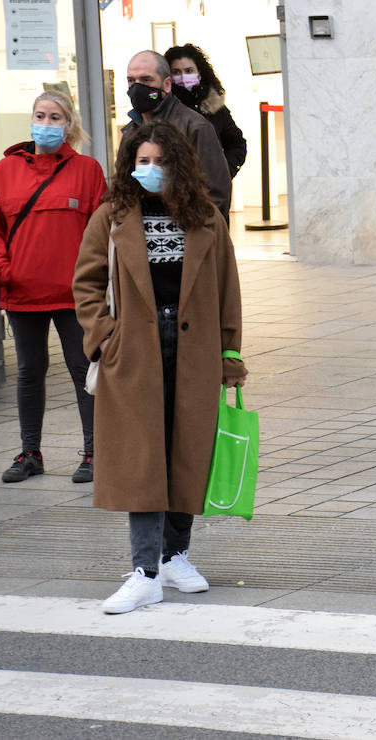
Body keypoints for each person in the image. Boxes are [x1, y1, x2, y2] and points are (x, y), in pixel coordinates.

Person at [73, 121, 246, 614]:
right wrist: (106, 337)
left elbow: (226, 289)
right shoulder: (111, 217)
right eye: (142, 161)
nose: (150, 170)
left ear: (179, 165)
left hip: (193, 348)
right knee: (143, 457)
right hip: (134, 350)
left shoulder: (205, 217)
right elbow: (86, 285)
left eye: (161, 161)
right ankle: (144, 570)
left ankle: (175, 555)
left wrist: (230, 353)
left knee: (188, 451)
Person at [0, 91, 108, 485]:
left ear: (68, 125)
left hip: (74, 295)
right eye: (40, 115)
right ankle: (30, 451)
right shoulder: (5, 171)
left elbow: (101, 231)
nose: (46, 123)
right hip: (21, 292)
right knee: (30, 372)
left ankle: (94, 452)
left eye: (55, 117)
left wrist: (95, 281)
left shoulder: (87, 171)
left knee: (84, 370)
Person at [121, 50, 232, 219]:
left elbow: (216, 194)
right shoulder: (130, 131)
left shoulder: (195, 127)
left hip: (187, 233)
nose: (137, 87)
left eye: (146, 80)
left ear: (166, 84)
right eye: (131, 80)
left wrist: (197, 236)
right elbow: (123, 187)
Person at [165, 43, 248, 178]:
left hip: (212, 193)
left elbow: (237, 144)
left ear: (199, 73)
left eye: (189, 71)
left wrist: (223, 173)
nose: (183, 77)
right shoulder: (163, 108)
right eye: (176, 72)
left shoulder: (214, 107)